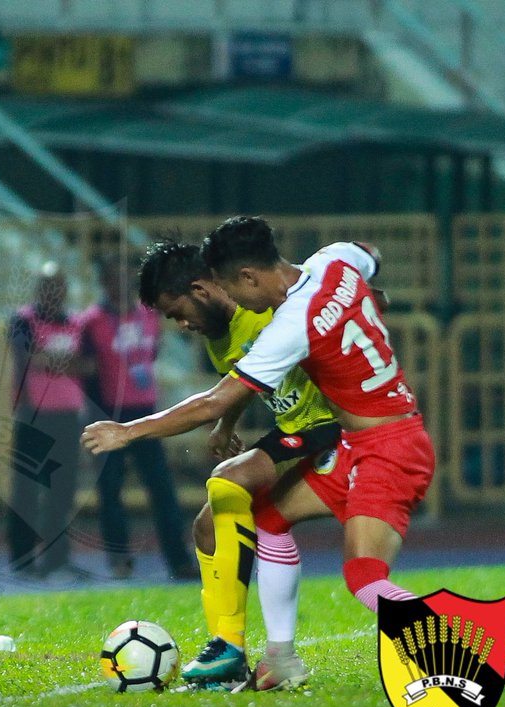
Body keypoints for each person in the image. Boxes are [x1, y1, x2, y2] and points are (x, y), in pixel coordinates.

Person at [83, 216, 434, 663]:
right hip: (357, 440)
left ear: (240, 279)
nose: (235, 298)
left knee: (362, 577)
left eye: (231, 286)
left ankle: (451, 643)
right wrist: (373, 296)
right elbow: (367, 251)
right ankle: (278, 658)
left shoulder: (285, 322)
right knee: (257, 520)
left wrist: (128, 431)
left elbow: (214, 399)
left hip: (366, 438)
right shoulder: (332, 262)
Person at [139, 239, 343, 690]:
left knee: (229, 479)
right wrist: (226, 424)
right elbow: (243, 380)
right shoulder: (218, 338)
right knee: (207, 527)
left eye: (177, 312)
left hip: (329, 423)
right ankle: (227, 650)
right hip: (296, 428)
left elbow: (216, 398)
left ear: (201, 288)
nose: (180, 325)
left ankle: (231, 648)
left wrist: (128, 430)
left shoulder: (269, 306)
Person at [78, 253, 193, 581]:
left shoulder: (148, 315)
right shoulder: (92, 321)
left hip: (145, 413)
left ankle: (179, 561)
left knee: (162, 489)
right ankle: (120, 561)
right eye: (114, 277)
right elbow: (87, 369)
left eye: (126, 277)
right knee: (110, 491)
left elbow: (151, 352)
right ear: (104, 282)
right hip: (107, 414)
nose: (122, 283)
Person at [6, 262, 91, 579]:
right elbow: (26, 358)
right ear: (38, 290)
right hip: (33, 414)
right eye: (46, 286)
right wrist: (66, 362)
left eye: (57, 285)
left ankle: (56, 559)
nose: (52, 292)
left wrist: (50, 360)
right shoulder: (22, 320)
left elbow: (89, 365)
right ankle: (22, 559)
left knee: (62, 491)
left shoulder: (76, 323)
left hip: (68, 416)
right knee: (26, 490)